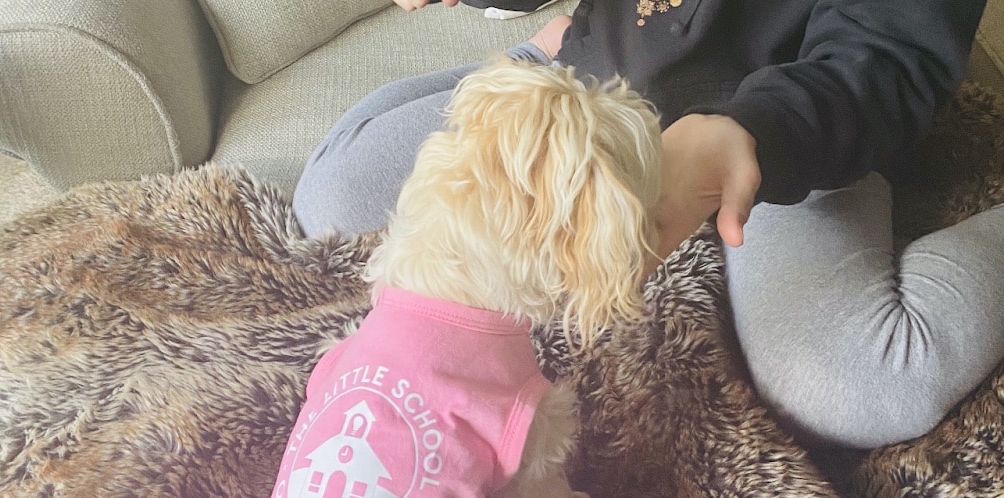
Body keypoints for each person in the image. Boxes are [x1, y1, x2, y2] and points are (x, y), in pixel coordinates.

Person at [292, 0, 1004, 450]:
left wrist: (751, 133)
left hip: (796, 120)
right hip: (596, 88)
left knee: (855, 385)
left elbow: (889, 59)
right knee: (335, 200)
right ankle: (539, 62)